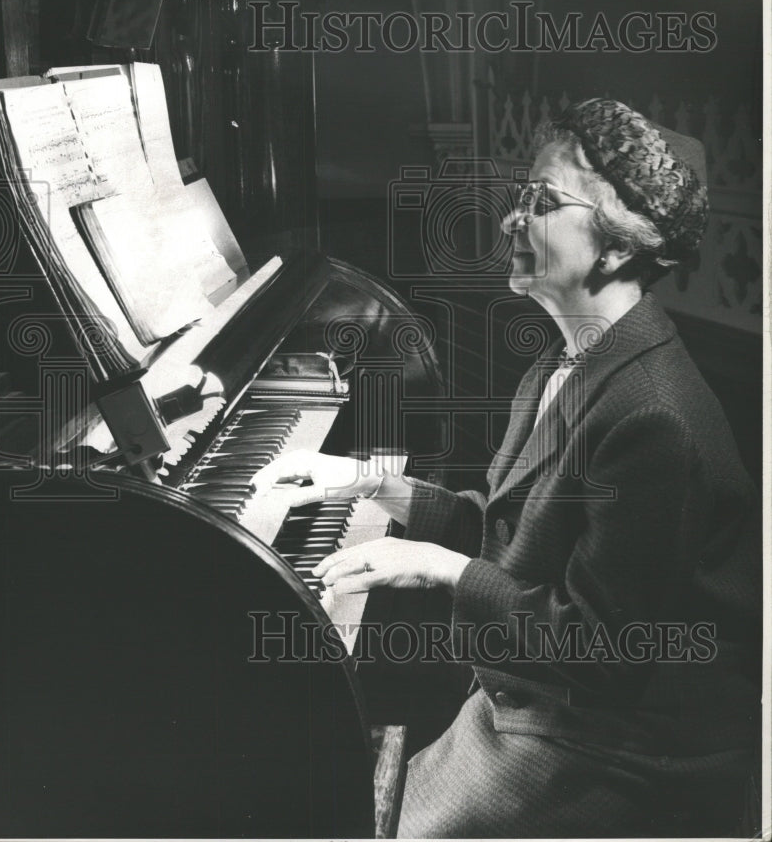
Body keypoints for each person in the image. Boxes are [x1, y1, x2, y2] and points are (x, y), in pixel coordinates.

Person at [252, 99, 761, 838]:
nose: (510, 219)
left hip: (616, 746)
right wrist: (369, 485)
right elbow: (503, 531)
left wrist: (438, 567)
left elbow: (602, 650)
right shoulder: (564, 360)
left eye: (543, 202)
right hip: (527, 702)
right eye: (521, 196)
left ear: (618, 248)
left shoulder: (656, 418)